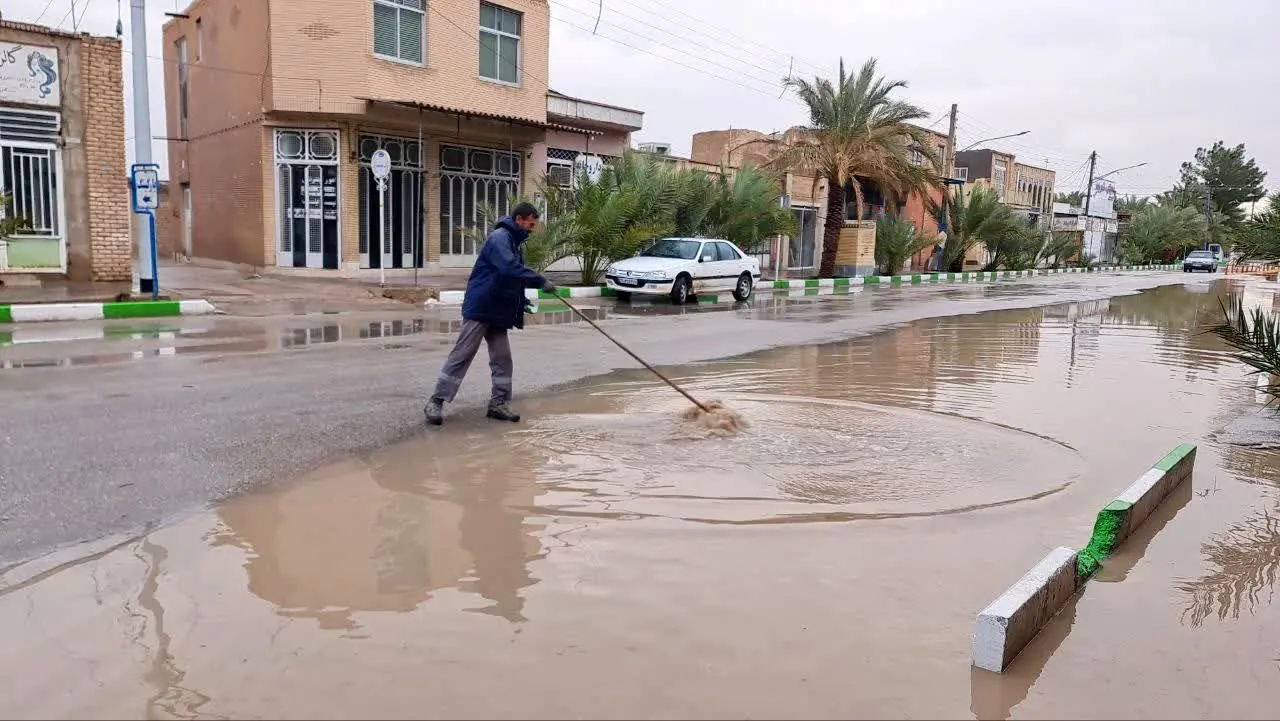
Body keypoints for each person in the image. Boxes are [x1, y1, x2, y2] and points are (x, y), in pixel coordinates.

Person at [425, 203, 556, 426]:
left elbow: (508, 279)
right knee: (463, 353)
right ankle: (436, 400)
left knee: (502, 358)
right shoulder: (500, 238)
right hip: (482, 306)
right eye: (530, 224)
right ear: (519, 219)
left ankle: (498, 404)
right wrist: (540, 280)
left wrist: (520, 301)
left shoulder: (514, 243)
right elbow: (508, 269)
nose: (532, 229)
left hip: (498, 309)